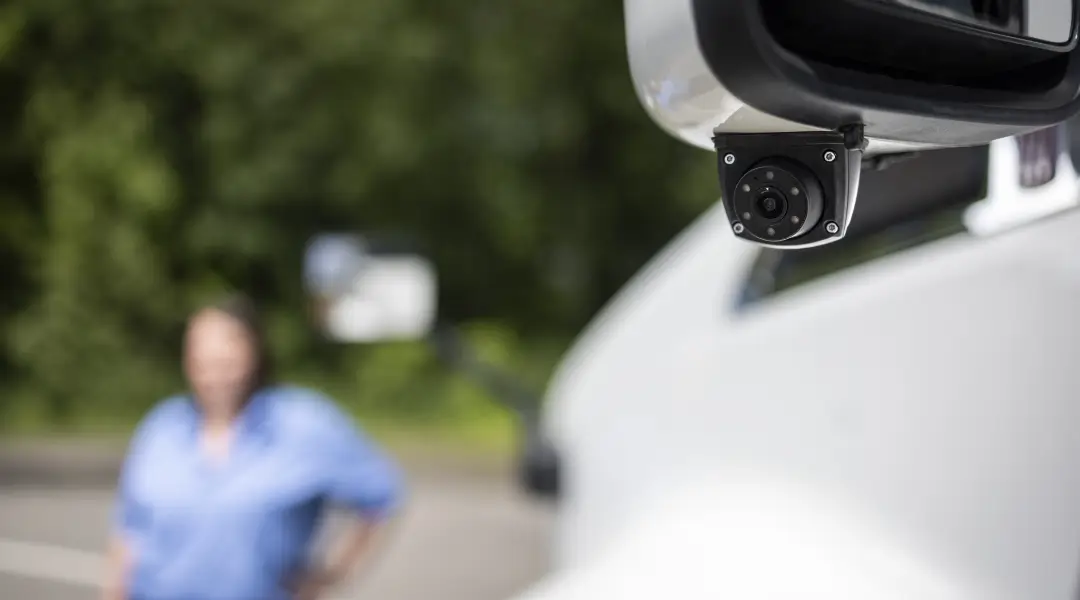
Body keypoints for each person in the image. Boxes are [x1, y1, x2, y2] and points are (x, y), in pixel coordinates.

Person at [102, 295, 404, 600]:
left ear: (255, 352)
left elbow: (379, 495)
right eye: (201, 354)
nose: (214, 367)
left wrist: (330, 576)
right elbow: (131, 531)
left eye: (226, 352)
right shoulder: (162, 427)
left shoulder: (303, 424)